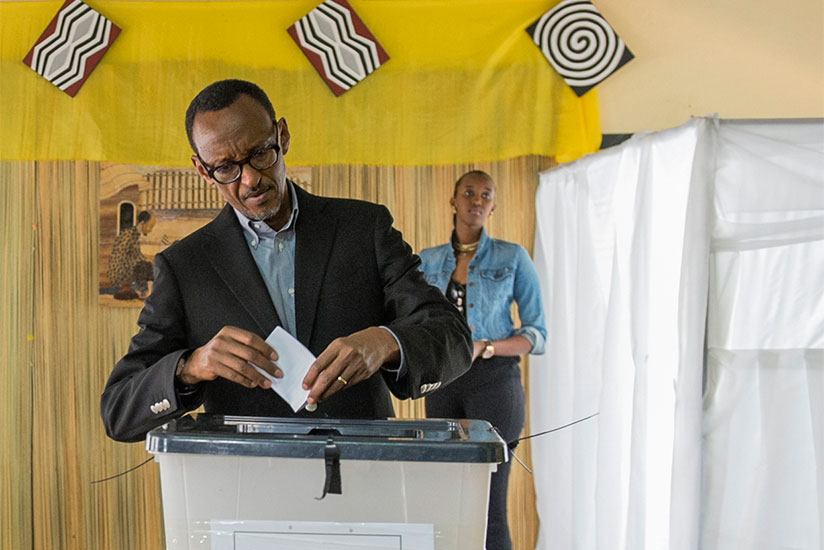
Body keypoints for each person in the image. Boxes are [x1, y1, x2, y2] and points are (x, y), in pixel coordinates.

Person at [100, 79, 472, 442]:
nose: (250, 180)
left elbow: (453, 339)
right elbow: (118, 411)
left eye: (260, 154)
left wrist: (385, 342)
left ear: (282, 135)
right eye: (226, 168)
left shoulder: (363, 229)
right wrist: (190, 367)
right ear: (202, 171)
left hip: (361, 470)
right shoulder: (184, 266)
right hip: (244, 479)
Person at [418, 170, 546, 550]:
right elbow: (414, 321)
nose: (477, 200)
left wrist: (485, 347)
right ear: (453, 201)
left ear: (493, 207)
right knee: (447, 499)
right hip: (443, 382)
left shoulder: (513, 257)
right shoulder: (427, 261)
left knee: (490, 505)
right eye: (469, 193)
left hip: (495, 383)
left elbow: (536, 334)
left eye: (486, 195)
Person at [107, 210, 156, 300]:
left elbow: (136, 255)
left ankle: (149, 291)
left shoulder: (134, 235)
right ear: (143, 223)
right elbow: (121, 258)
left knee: (150, 265)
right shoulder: (128, 235)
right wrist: (146, 261)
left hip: (127, 268)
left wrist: (149, 260)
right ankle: (145, 292)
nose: (151, 229)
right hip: (121, 271)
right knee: (144, 266)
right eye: (150, 226)